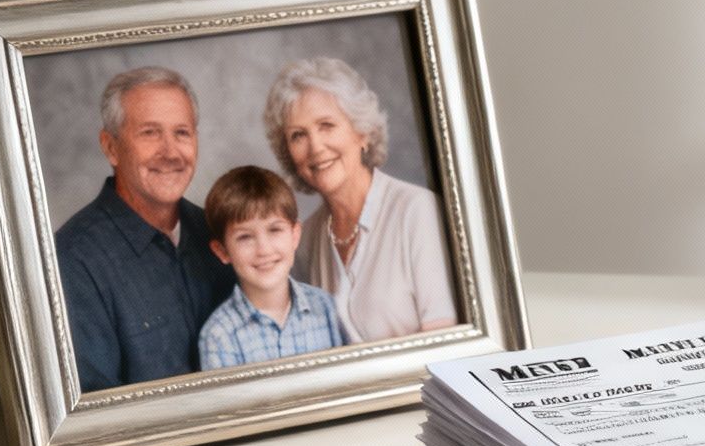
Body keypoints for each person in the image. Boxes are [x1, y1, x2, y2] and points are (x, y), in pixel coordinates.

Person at [55, 66, 235, 392]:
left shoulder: (221, 234)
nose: (170, 152)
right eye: (150, 132)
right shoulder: (72, 261)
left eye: (182, 133)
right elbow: (92, 416)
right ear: (111, 147)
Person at [263, 55, 458, 342]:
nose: (315, 147)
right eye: (298, 136)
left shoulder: (417, 212)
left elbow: (446, 338)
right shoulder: (306, 239)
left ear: (362, 132)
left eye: (326, 125)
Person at [197, 166, 347, 369]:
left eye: (275, 229)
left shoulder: (326, 308)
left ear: (295, 236)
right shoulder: (219, 335)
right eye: (245, 237)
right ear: (222, 251)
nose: (264, 249)